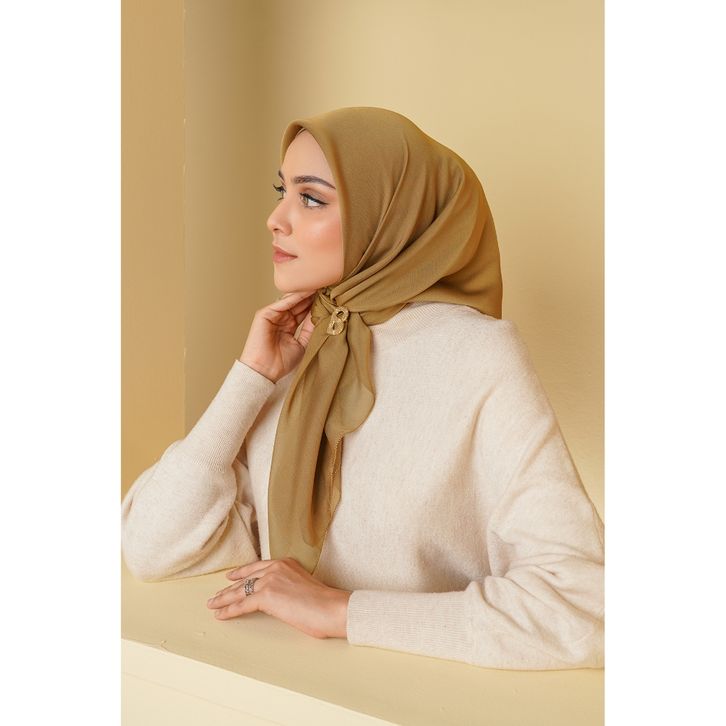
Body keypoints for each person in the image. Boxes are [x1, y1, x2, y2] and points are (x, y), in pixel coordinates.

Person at [121, 106, 604, 670]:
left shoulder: (475, 354)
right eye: (282, 191)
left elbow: (583, 607)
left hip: (412, 699)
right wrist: (250, 377)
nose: (275, 219)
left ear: (388, 217)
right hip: (276, 687)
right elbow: (150, 547)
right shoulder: (308, 345)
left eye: (311, 198)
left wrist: (340, 612)